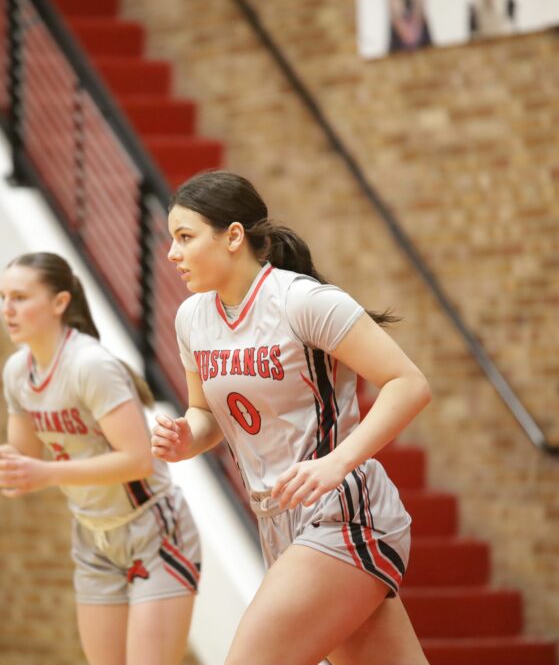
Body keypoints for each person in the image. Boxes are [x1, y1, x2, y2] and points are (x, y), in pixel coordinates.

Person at [152, 171, 431, 665]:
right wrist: (185, 437)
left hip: (343, 513)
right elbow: (205, 413)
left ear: (233, 236)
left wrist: (336, 462)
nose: (172, 253)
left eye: (185, 237)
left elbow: (408, 384)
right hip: (278, 520)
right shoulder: (191, 318)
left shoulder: (301, 300)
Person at [0, 252, 199, 665]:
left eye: (20, 297)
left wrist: (47, 473)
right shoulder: (17, 372)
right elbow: (22, 457)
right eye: (3, 297)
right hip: (93, 535)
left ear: (59, 302)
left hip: (153, 527)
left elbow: (137, 460)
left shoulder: (89, 365)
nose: (7, 309)